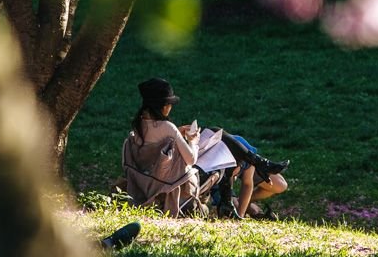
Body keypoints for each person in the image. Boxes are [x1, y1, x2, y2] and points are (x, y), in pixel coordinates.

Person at [122, 78, 288, 218]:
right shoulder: (167, 127)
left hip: (155, 178)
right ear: (164, 106)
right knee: (218, 140)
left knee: (217, 134)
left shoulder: (138, 127)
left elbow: (156, 146)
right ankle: (257, 162)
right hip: (176, 181)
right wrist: (193, 141)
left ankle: (256, 163)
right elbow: (191, 159)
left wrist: (178, 134)